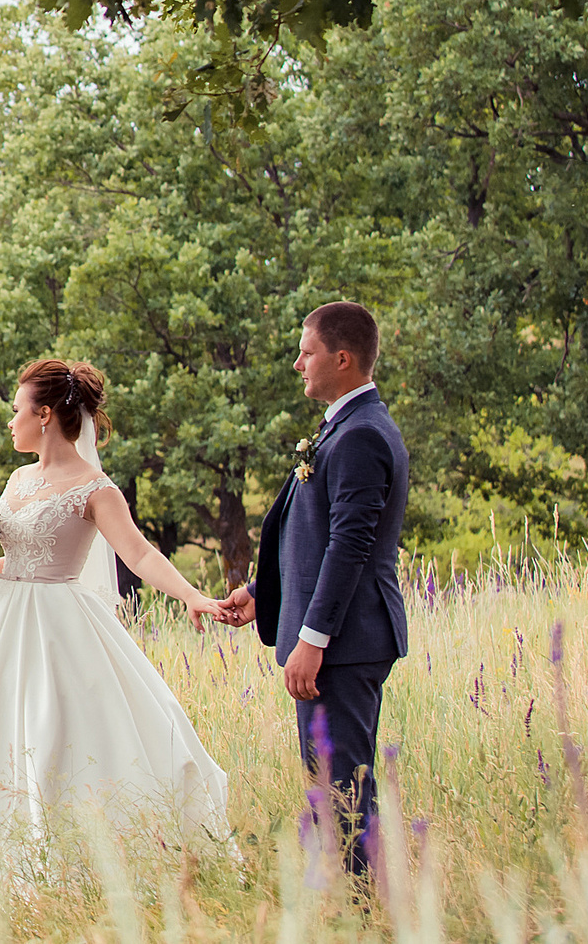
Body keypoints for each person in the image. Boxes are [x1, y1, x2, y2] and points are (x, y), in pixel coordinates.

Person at [0, 358, 229, 867]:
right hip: (0, 625)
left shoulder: (97, 489)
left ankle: (74, 854)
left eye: (16, 410)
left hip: (60, 627)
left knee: (58, 733)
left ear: (44, 414)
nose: (11, 421)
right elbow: (20, 561)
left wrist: (191, 596)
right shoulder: (20, 479)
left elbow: (137, 554)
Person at [215, 301, 411, 883]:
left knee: (343, 783)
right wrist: (260, 592)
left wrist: (312, 639)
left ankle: (362, 909)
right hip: (340, 637)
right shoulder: (344, 426)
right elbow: (316, 532)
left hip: (346, 641)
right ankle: (352, 901)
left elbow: (350, 547)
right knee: (332, 780)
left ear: (342, 358)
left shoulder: (360, 436)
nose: (297, 363)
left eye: (307, 352)